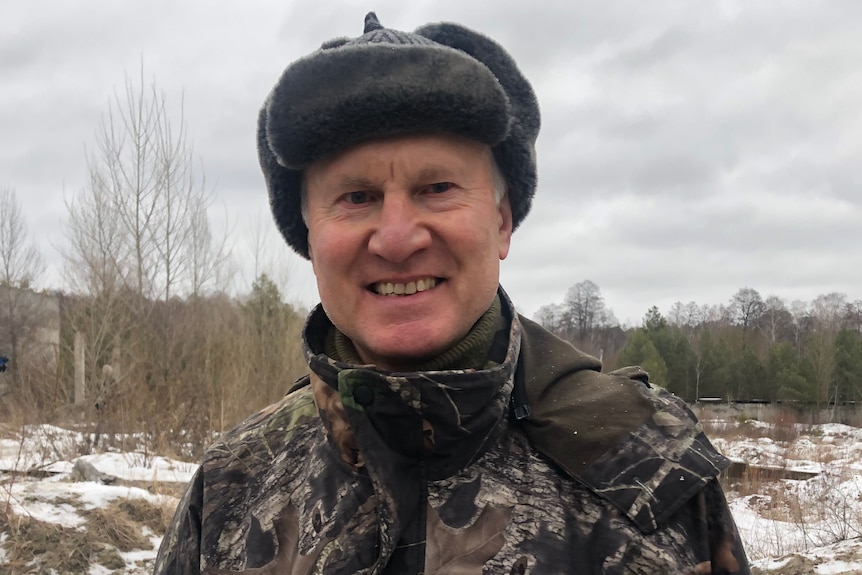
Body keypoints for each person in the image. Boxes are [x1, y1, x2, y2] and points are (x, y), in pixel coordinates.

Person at [155, 13, 750, 575]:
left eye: (436, 187)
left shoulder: (648, 463)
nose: (395, 238)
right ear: (309, 237)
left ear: (503, 222)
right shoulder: (234, 482)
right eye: (356, 197)